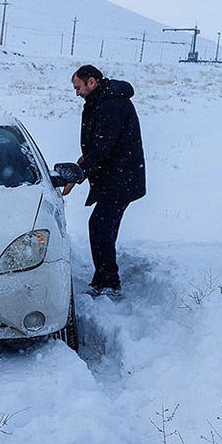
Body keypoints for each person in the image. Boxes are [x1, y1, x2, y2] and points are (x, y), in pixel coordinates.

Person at [63, 65, 146, 296]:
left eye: (78, 87)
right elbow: (97, 146)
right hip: (117, 176)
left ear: (91, 82)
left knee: (99, 225)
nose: (77, 93)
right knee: (106, 227)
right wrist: (84, 162)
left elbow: (102, 148)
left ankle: (109, 283)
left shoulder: (112, 104)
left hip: (121, 178)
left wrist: (78, 174)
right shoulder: (100, 101)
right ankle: (104, 278)